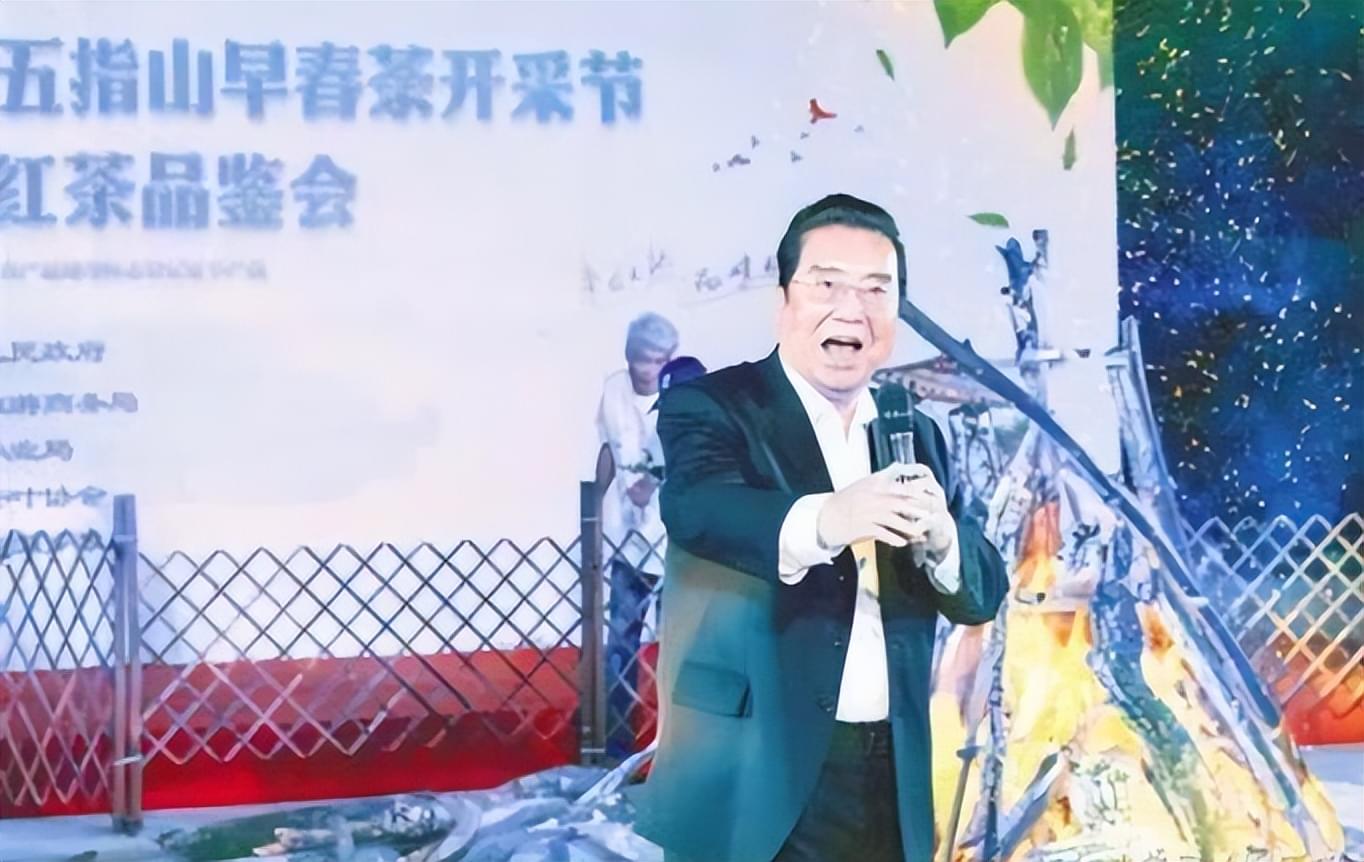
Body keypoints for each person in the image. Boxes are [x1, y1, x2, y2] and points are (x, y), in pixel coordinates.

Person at [634, 194, 1009, 862]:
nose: (851, 308)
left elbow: (980, 593)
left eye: (876, 289)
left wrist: (943, 541)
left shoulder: (915, 431)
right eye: (827, 284)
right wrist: (832, 516)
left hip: (889, 767)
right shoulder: (712, 406)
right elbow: (702, 510)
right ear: (784, 301)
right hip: (753, 764)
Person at [596, 312, 678, 760]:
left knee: (676, 646)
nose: (651, 368)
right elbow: (608, 448)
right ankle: (616, 739)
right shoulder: (613, 390)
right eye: (645, 359)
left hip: (673, 542)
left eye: (661, 360)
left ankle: (676, 741)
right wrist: (592, 509)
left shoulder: (682, 395)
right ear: (629, 356)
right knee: (620, 643)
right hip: (628, 543)